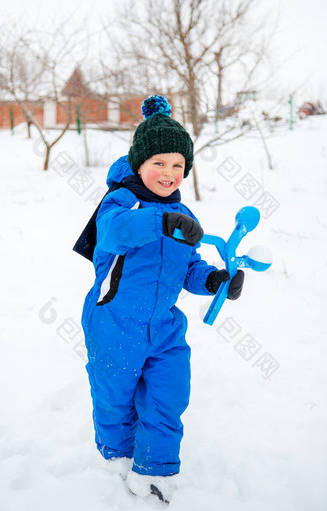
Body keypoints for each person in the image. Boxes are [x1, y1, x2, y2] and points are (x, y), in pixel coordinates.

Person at [80, 95, 244, 503]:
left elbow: (188, 265)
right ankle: (117, 457)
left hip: (165, 328)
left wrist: (213, 279)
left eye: (177, 165)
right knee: (115, 397)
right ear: (139, 164)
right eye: (159, 163)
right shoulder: (120, 201)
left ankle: (154, 470)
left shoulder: (183, 213)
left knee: (168, 394)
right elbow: (115, 232)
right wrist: (162, 220)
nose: (169, 173)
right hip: (114, 322)